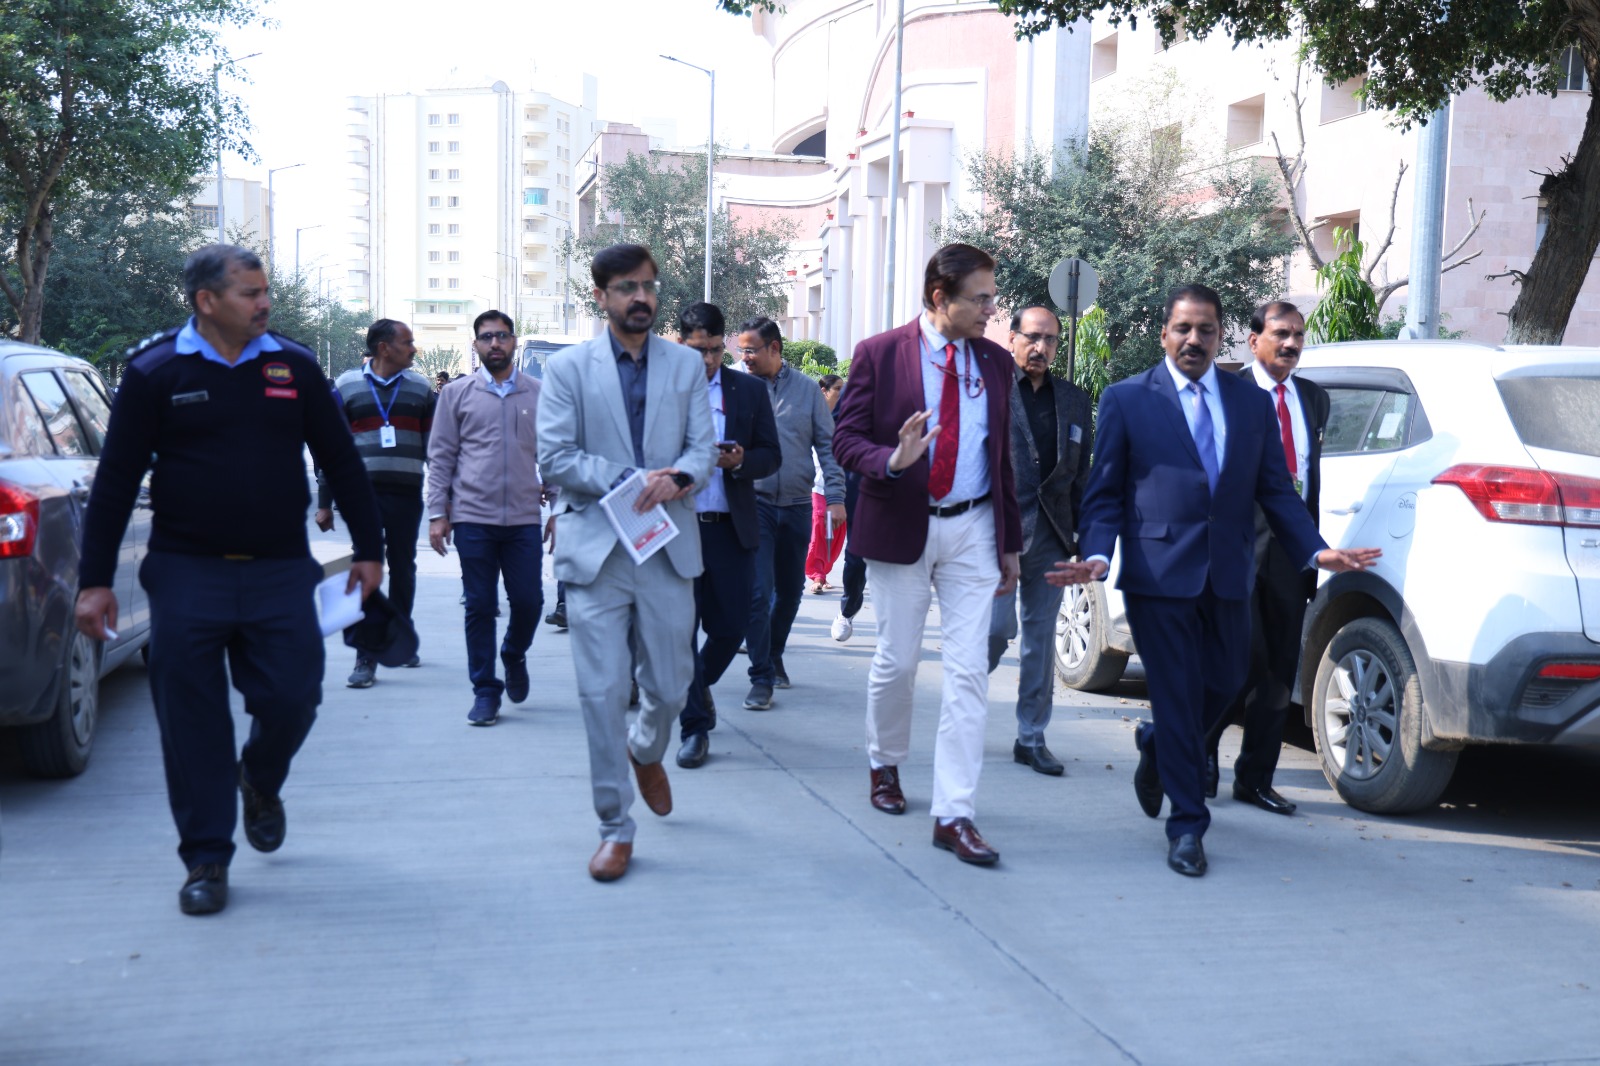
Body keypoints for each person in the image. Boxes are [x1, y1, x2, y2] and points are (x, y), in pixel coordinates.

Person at [74, 244, 384, 916]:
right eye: (250, 293)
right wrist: (94, 579)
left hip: (279, 569)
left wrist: (370, 548)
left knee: (294, 695)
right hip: (187, 572)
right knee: (191, 718)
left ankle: (260, 779)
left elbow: (339, 458)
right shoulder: (156, 371)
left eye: (265, 290)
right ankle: (207, 857)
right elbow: (117, 479)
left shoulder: (293, 366)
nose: (264, 303)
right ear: (206, 301)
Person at [1053, 283, 1380, 878]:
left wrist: (1315, 550)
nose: (1194, 339)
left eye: (1206, 329)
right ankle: (1187, 825)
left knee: (1228, 681)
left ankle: (1158, 745)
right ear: (1165, 334)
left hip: (1229, 570)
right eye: (1183, 328)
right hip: (1157, 575)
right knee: (1177, 695)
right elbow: (1104, 494)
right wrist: (1096, 554)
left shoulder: (1248, 403)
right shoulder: (1129, 399)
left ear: (1221, 335)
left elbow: (1275, 490)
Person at [831, 243, 1023, 867]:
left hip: (974, 529)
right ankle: (885, 763)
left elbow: (1002, 457)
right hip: (902, 525)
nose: (991, 310)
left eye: (992, 298)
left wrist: (1010, 542)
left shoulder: (995, 362)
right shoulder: (880, 354)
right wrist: (891, 459)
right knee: (899, 662)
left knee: (968, 673)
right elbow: (845, 440)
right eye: (981, 299)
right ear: (941, 297)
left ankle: (954, 813)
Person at [536, 243, 715, 882]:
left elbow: (702, 449)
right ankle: (615, 826)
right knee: (602, 692)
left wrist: (680, 477)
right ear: (600, 296)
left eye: (648, 285)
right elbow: (555, 456)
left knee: (669, 686)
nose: (641, 297)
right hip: (596, 549)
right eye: (626, 287)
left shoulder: (685, 365)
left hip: (666, 543)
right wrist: (631, 481)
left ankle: (646, 749)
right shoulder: (568, 370)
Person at [1202, 301, 1329, 816]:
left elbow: (1308, 478)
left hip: (1290, 553)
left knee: (1277, 670)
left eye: (1298, 334)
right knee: (1237, 662)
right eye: (1281, 333)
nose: (1292, 343)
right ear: (1254, 341)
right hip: (1233, 549)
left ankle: (1255, 778)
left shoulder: (1313, 399)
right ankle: (1198, 754)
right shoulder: (1225, 393)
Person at [426, 311, 552, 726]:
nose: (494, 343)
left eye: (502, 336)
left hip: (523, 519)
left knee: (530, 602)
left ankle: (513, 653)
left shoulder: (538, 394)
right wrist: (438, 513)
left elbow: (552, 455)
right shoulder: (456, 394)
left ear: (514, 341)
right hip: (472, 518)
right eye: (486, 337)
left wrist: (559, 508)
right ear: (476, 344)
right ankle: (484, 690)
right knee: (480, 605)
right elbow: (441, 457)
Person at [986, 306, 1093, 778]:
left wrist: (1083, 534)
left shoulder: (1074, 400)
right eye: (1032, 337)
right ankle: (965, 694)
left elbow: (1080, 473)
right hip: (996, 533)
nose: (1041, 347)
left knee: (1039, 642)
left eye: (1050, 340)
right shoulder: (990, 391)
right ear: (1011, 339)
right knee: (995, 630)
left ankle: (1031, 737)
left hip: (1052, 533)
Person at [674, 302, 781, 769]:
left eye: (716, 350)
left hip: (729, 529)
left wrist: (741, 462)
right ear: (681, 345)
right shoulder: (663, 392)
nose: (708, 360)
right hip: (676, 531)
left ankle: (696, 687)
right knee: (680, 634)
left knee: (731, 628)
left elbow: (771, 455)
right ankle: (694, 729)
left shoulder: (749, 391)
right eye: (698, 350)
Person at [316, 318, 436, 687]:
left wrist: (445, 503)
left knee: (403, 568)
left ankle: (399, 636)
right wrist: (325, 501)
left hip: (406, 494)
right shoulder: (346, 386)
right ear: (384, 348)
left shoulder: (421, 389)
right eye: (407, 342)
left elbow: (436, 449)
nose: (413, 349)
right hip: (360, 496)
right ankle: (365, 656)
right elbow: (331, 449)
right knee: (366, 567)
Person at [738, 317, 844, 710]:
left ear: (775, 349)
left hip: (798, 505)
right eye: (742, 351)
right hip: (756, 504)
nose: (745, 358)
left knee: (789, 592)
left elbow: (827, 447)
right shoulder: (740, 388)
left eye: (751, 350)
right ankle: (761, 675)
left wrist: (836, 497)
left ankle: (774, 652)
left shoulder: (806, 390)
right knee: (758, 592)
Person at [804, 373, 847, 594]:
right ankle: (817, 574)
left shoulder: (845, 418)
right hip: (817, 485)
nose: (842, 392)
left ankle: (823, 571)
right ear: (824, 391)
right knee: (820, 528)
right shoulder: (811, 417)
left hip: (841, 486)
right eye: (837, 388)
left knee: (835, 532)